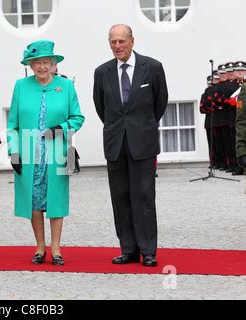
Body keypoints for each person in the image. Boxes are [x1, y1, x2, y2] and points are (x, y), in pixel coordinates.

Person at [93, 24, 168, 267]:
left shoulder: (153, 68)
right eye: (113, 42)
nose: (118, 46)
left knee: (143, 196)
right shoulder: (101, 72)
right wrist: (119, 128)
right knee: (121, 197)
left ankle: (148, 251)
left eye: (122, 41)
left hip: (143, 143)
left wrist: (140, 126)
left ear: (132, 41)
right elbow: (100, 106)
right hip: (116, 143)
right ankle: (128, 249)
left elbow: (160, 103)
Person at [7, 40, 85, 266]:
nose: (42, 67)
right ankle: (40, 247)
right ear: (30, 65)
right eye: (37, 62)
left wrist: (60, 129)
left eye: (46, 62)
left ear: (53, 64)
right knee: (34, 200)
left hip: (57, 151)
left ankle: (56, 249)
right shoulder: (21, 86)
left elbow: (78, 117)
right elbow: (13, 124)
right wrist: (14, 153)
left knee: (56, 200)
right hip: (29, 154)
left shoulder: (66, 86)